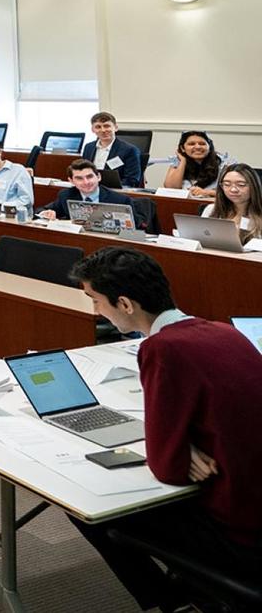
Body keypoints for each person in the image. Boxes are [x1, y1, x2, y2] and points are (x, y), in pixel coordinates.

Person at [67, 247, 262, 613]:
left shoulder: (163, 348)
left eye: (95, 300)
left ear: (124, 303)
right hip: (253, 502)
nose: (95, 311)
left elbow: (167, 467)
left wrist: (175, 448)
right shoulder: (223, 331)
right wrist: (185, 445)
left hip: (240, 532)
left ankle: (179, 599)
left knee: (86, 505)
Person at [38, 159, 140, 226]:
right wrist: (46, 213)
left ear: (98, 177)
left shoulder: (120, 200)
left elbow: (137, 231)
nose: (86, 182)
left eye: (90, 177)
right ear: (71, 181)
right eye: (79, 178)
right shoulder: (66, 195)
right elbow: (41, 210)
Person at [202, 163, 262, 245]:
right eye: (227, 184)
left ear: (254, 186)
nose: (233, 189)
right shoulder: (211, 209)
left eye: (241, 185)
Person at [163, 130, 234, 199]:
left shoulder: (224, 164)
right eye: (191, 144)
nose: (198, 147)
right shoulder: (178, 161)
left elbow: (234, 191)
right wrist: (183, 162)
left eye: (202, 144)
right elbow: (171, 189)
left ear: (209, 147)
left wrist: (207, 192)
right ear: (182, 148)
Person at [82, 112, 144, 189]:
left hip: (115, 191)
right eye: (98, 127)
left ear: (116, 127)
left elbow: (132, 180)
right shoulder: (89, 147)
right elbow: (83, 172)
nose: (103, 130)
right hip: (90, 188)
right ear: (93, 130)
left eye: (107, 126)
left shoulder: (129, 150)